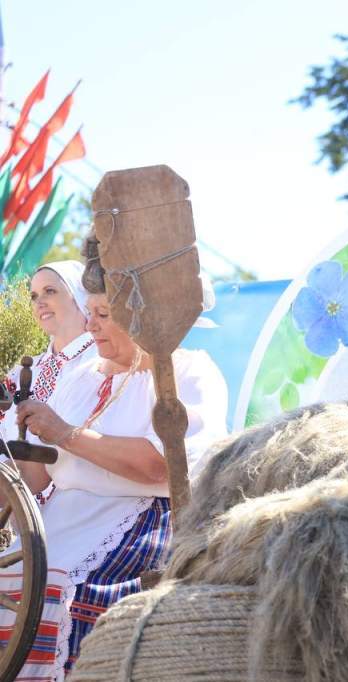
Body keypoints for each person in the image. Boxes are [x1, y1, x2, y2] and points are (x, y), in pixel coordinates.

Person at [0, 242, 229, 678]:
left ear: (144, 319)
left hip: (139, 524)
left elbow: (162, 465)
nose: (91, 325)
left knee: (58, 589)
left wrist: (66, 433)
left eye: (104, 315)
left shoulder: (186, 372)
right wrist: (18, 445)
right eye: (90, 312)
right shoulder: (81, 376)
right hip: (58, 521)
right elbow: (36, 480)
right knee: (10, 581)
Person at [1, 261, 97, 423]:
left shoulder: (103, 365)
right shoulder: (20, 371)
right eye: (34, 296)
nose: (39, 303)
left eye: (50, 291)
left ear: (79, 295)